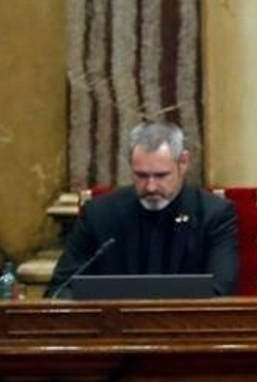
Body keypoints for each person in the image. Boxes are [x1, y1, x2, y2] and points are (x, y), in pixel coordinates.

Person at [47, 121, 239, 296]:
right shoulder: (99, 214)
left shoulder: (213, 215)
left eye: (161, 175)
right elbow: (60, 290)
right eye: (141, 176)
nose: (150, 187)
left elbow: (219, 293)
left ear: (183, 163)